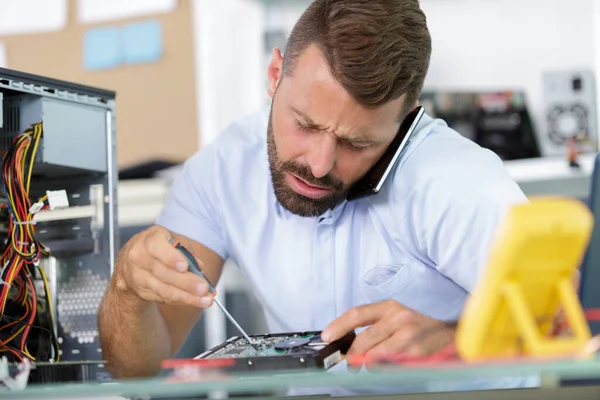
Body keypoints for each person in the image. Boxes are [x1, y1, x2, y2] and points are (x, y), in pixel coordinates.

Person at [98, 0, 527, 378]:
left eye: (357, 143)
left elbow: (566, 321)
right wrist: (127, 289)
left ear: (405, 122)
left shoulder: (455, 179)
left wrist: (457, 339)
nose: (319, 164)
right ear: (274, 75)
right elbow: (138, 370)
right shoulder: (221, 170)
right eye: (305, 124)